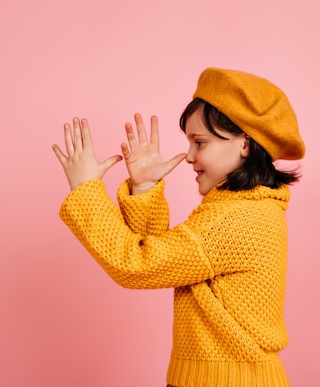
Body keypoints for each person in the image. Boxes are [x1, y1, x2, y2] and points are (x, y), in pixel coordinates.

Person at [52, 67, 305, 387]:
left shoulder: (236, 221)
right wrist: (143, 188)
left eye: (200, 142)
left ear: (244, 143)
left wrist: (86, 189)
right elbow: (158, 253)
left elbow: (138, 265)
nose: (188, 156)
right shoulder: (244, 208)